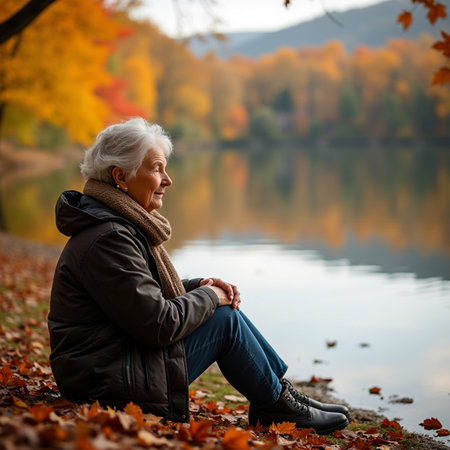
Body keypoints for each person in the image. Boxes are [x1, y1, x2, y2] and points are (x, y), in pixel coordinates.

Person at [48, 117, 350, 435]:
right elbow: (157, 324)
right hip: (105, 379)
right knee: (224, 321)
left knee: (220, 307)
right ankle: (275, 405)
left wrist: (198, 286)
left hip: (111, 363)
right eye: (156, 169)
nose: (168, 180)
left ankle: (278, 395)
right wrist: (209, 297)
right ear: (121, 177)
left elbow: (140, 293)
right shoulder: (109, 237)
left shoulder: (115, 224)